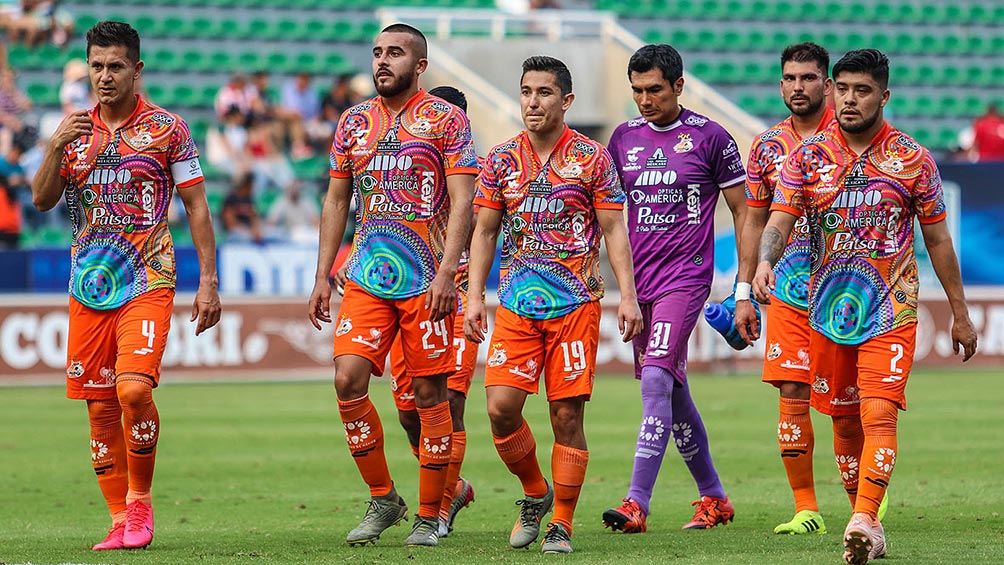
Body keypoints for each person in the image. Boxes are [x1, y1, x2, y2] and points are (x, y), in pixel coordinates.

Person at [752, 49, 978, 564]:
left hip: (890, 307)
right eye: (844, 89)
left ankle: (861, 516)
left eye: (863, 90)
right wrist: (765, 263)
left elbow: (939, 241)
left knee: (878, 412)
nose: (851, 99)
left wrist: (960, 313)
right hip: (827, 311)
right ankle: (869, 523)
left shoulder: (913, 159)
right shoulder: (805, 159)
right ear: (833, 90)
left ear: (884, 95)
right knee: (845, 421)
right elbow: (779, 220)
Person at [29, 20, 221, 551]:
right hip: (89, 285)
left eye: (115, 66)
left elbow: (197, 205)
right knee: (98, 407)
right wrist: (53, 148)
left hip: (148, 277)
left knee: (133, 389)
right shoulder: (72, 131)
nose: (104, 76)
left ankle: (140, 506)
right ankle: (118, 519)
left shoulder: (168, 129)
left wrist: (208, 280)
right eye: (96, 66)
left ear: (137, 69)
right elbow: (42, 200)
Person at [307, 23, 478, 548]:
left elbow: (465, 201)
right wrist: (321, 275)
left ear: (420, 64)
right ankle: (384, 496)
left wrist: (449, 272)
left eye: (396, 53)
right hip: (366, 277)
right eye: (378, 52)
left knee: (428, 398)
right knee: (347, 380)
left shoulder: (446, 120)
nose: (383, 61)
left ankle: (430, 514)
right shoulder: (353, 121)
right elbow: (338, 200)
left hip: (428, 280)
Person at [465, 55, 643, 554]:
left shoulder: (593, 159)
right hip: (518, 308)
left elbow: (613, 230)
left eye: (543, 92)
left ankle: (561, 522)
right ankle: (535, 492)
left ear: (565, 101)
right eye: (526, 91)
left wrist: (626, 296)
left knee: (566, 417)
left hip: (575, 306)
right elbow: (484, 231)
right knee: (500, 410)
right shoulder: (500, 159)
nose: (532, 102)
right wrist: (475, 297)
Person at [600, 43, 746, 535]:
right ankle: (714, 497)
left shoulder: (711, 137)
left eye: (654, 89)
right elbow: (608, 214)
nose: (645, 99)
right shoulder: (622, 139)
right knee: (674, 394)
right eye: (637, 91)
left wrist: (742, 285)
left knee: (656, 380)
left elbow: (744, 212)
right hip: (638, 282)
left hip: (685, 279)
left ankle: (636, 501)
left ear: (679, 86)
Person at [736, 42, 837, 535]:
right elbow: (753, 219)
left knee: (846, 399)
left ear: (828, 84)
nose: (798, 87)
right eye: (790, 78)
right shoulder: (766, 147)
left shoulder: (850, 136)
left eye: (808, 78)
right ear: (780, 84)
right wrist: (743, 287)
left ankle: (866, 497)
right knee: (792, 387)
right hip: (788, 292)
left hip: (847, 294)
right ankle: (806, 508)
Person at [220, 172, 264, 243]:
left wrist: (256, 230)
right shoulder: (231, 198)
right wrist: (245, 231)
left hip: (249, 232)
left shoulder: (249, 199)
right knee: (240, 236)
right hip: (233, 232)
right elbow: (229, 221)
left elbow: (255, 217)